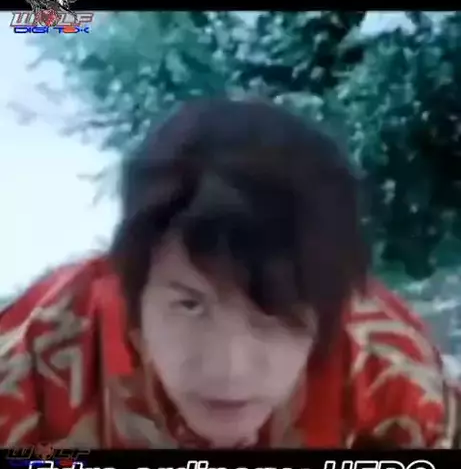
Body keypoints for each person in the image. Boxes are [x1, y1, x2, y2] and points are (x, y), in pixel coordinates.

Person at [0, 98, 459, 449]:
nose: (228, 369)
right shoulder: (31, 362)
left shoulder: (393, 378)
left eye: (273, 309)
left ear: (329, 308)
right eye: (189, 304)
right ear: (131, 286)